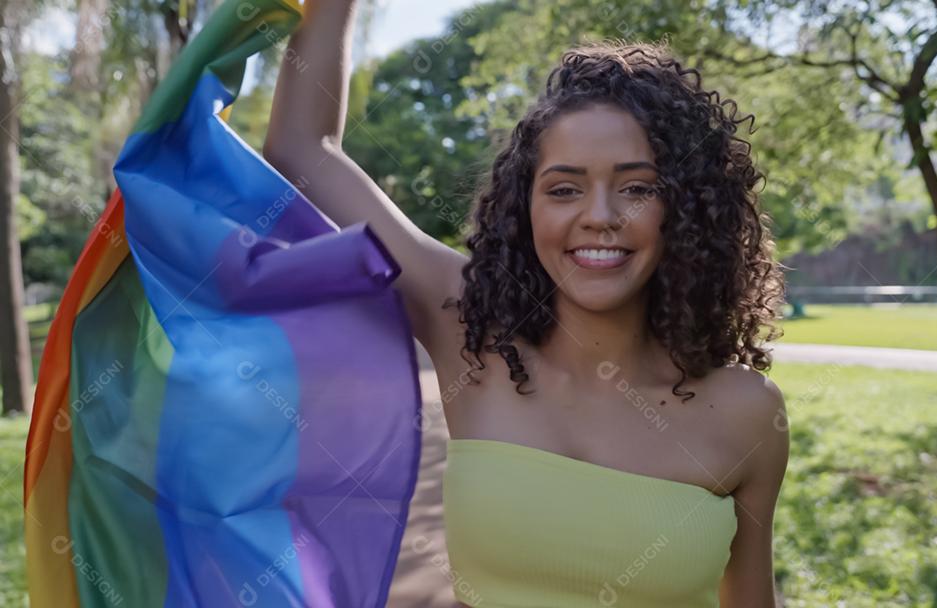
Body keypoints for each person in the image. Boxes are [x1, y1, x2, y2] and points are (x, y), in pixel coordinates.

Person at [264, 1, 790, 606]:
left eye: (637, 188)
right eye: (564, 189)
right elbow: (303, 151)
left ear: (688, 209)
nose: (599, 216)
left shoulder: (748, 412)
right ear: (525, 208)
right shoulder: (472, 332)